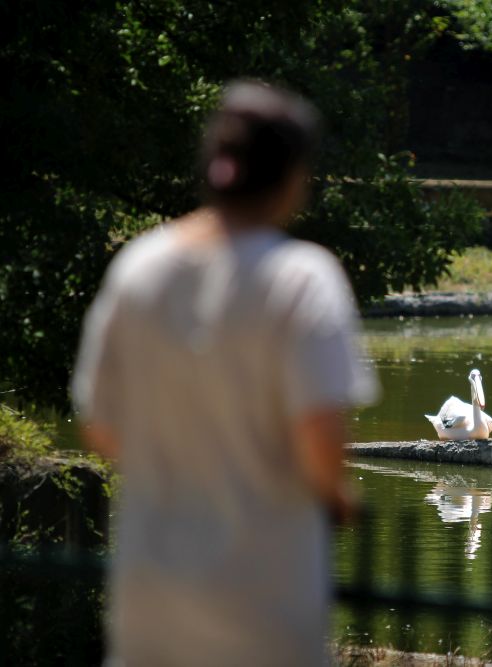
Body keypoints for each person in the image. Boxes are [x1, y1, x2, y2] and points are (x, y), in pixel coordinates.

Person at [72, 80, 379, 666]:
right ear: (293, 178)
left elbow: (101, 426)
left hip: (152, 591)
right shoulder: (301, 278)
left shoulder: (140, 268)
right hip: (264, 599)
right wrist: (337, 499)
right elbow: (321, 437)